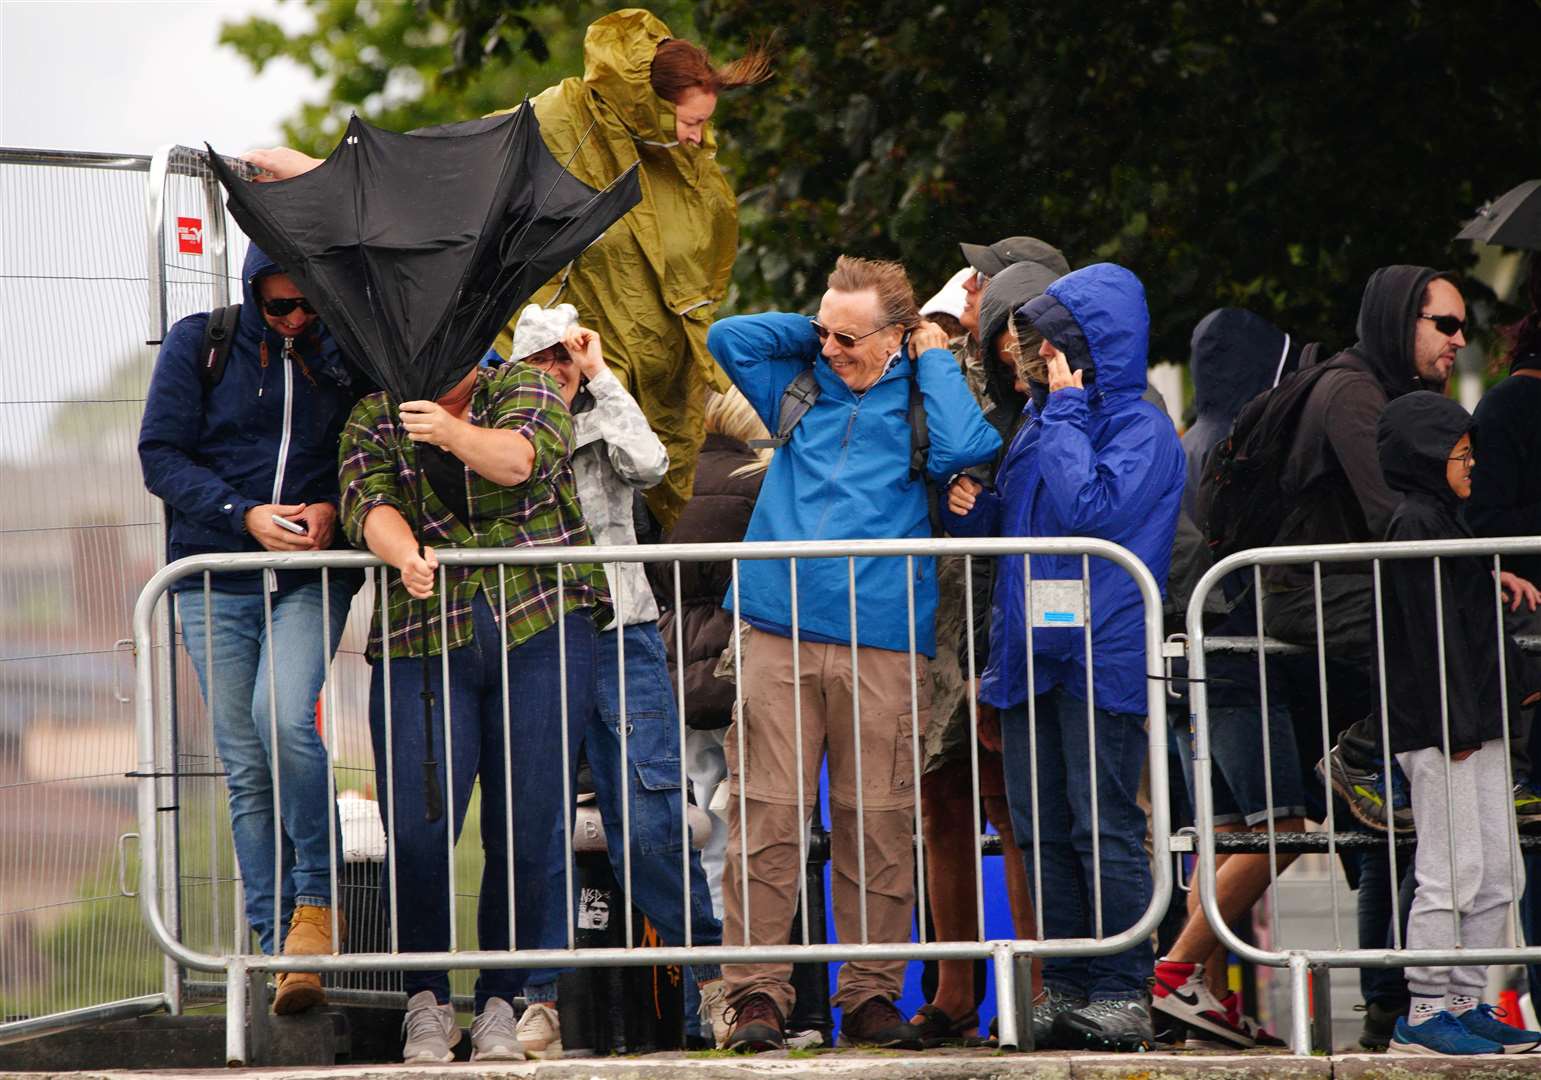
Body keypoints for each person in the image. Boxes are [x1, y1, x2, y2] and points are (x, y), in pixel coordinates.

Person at [247, 9, 773, 531]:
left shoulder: (681, 170)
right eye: (690, 123)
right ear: (649, 108)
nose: (698, 139)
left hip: (643, 407)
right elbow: (441, 177)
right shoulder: (560, 126)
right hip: (551, 398)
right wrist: (316, 174)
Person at [706, 255, 1001, 1052]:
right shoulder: (800, 383)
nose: (831, 348)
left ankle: (870, 996)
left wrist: (930, 352)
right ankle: (756, 996)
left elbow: (969, 445)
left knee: (877, 822)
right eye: (823, 331)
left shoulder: (923, 397)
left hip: (883, 638)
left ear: (897, 335)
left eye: (848, 336)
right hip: (776, 626)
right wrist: (822, 326)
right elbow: (726, 335)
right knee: (766, 819)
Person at [337, 344, 607, 1062]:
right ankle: (424, 1002)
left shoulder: (526, 385)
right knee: (419, 833)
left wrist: (446, 431)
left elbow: (520, 462)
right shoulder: (371, 414)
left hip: (540, 624)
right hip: (421, 636)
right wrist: (404, 556)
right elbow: (367, 503)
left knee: (526, 829)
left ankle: (501, 1001)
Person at [943, 262, 1186, 1052]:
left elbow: (1090, 512)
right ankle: (1070, 985)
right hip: (1029, 655)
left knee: (1102, 827)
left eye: (1044, 349)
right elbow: (1021, 533)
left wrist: (1070, 407)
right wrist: (977, 516)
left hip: (1098, 656)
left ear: (1087, 350)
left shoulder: (1138, 427)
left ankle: (1120, 988)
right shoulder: (1049, 423)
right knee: (1044, 831)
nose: (1029, 362)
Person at [138, 245, 364, 1015]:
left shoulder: (347, 352)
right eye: (280, 307)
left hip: (310, 574)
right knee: (244, 766)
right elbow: (159, 455)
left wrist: (335, 506)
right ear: (252, 294)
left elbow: (368, 448)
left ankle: (315, 913)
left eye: (310, 305)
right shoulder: (198, 340)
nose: (297, 319)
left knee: (281, 719)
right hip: (213, 577)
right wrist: (243, 516)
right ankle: (279, 958)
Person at [500, 303, 723, 1053]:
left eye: (568, 357)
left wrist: (602, 374)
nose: (559, 371)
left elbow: (653, 465)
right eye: (545, 359)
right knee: (537, 823)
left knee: (654, 820)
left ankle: (708, 992)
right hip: (532, 636)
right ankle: (539, 1004)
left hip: (621, 632)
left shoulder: (605, 410)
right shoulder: (506, 430)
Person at [911, 253, 1066, 1045]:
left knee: (1017, 808)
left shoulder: (1060, 388)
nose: (968, 292)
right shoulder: (955, 370)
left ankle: (1038, 991)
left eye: (984, 282)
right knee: (942, 801)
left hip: (1014, 625)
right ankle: (951, 991)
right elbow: (939, 461)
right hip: (943, 617)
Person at [1154, 309, 1315, 1049]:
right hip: (1238, 650)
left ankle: (1205, 1001)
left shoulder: (1186, 440)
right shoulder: (1242, 444)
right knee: (1281, 827)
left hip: (1189, 657)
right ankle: (1178, 975)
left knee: (1219, 838)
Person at [1371, 391, 1541, 1055]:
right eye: (1458, 454)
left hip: (1473, 722)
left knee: (1498, 870)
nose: (1471, 465)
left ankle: (1464, 1002)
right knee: (1453, 870)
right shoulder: (1415, 525)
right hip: (1445, 729)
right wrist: (1459, 726)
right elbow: (1428, 638)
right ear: (1422, 457)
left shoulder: (1445, 522)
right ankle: (1422, 1013)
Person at [644, 386, 773, 1046]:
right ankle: (738, 978)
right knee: (736, 826)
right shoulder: (760, 484)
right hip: (735, 667)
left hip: (667, 667)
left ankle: (699, 983)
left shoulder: (666, 481)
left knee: (688, 822)